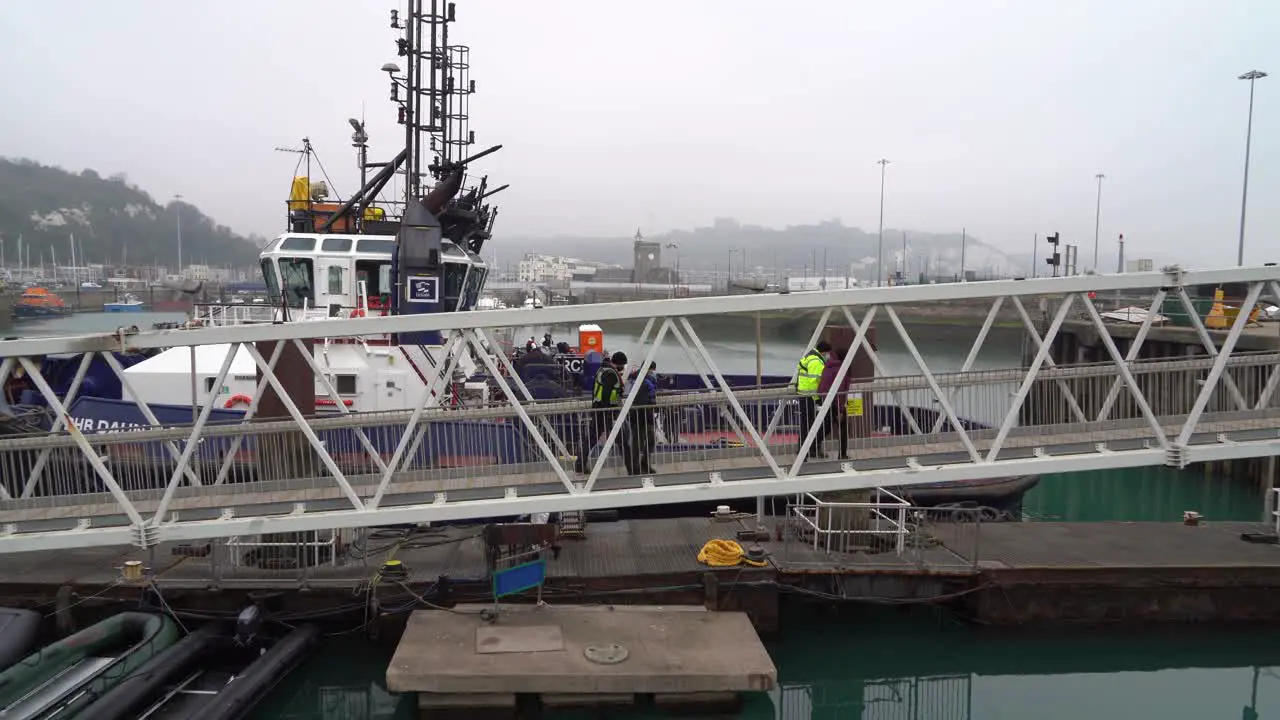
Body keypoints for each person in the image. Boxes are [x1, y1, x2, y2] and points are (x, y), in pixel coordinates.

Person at [575, 351, 627, 473]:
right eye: (623, 365)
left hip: (599, 409)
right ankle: (632, 464)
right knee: (620, 438)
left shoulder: (602, 370)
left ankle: (580, 464)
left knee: (592, 439)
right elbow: (607, 394)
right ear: (618, 364)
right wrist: (611, 408)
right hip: (605, 412)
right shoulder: (611, 374)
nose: (623, 368)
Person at [795, 341, 831, 460]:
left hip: (803, 394)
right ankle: (807, 450)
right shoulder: (816, 362)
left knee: (807, 423)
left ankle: (805, 449)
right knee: (812, 424)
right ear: (824, 352)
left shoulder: (810, 357)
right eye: (827, 353)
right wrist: (819, 397)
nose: (828, 355)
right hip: (810, 396)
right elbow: (816, 381)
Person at [624, 362, 659, 475]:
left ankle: (642, 464)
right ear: (650, 369)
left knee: (647, 440)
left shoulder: (635, 377)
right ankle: (637, 466)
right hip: (643, 414)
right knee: (640, 441)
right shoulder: (646, 380)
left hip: (637, 414)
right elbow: (645, 398)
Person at [818, 346, 851, 459]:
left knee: (825, 427)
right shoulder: (840, 369)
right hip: (835, 402)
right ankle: (842, 454)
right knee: (842, 429)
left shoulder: (828, 366)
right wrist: (840, 409)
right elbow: (840, 389)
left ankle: (810, 448)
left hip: (825, 399)